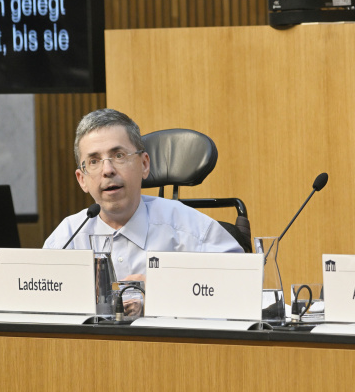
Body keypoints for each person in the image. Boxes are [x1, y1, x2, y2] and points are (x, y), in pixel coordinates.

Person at [44, 109, 243, 280]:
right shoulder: (67, 239)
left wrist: (166, 291)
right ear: (82, 179)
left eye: (119, 156)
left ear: (144, 164)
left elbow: (243, 281)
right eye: (94, 161)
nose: (107, 170)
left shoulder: (190, 229)